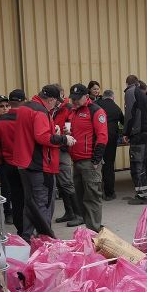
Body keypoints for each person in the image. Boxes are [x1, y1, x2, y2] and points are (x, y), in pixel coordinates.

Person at [13, 84, 75, 242]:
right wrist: (63, 139)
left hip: (25, 163)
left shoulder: (26, 108)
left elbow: (32, 133)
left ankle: (27, 237)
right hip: (39, 165)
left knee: (30, 203)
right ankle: (45, 239)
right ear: (51, 99)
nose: (57, 105)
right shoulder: (40, 112)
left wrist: (53, 131)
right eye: (56, 102)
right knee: (44, 203)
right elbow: (42, 137)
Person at [67, 83, 108, 232]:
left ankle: (94, 230)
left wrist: (96, 160)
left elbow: (102, 137)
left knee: (92, 197)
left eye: (78, 99)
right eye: (73, 99)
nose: (75, 101)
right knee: (80, 197)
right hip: (76, 160)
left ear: (86, 96)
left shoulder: (96, 111)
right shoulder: (74, 111)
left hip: (90, 162)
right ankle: (89, 227)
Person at [0, 89, 26, 235]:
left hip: (8, 161)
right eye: (1, 106)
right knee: (16, 191)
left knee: (16, 193)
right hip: (13, 161)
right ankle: (15, 217)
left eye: (6, 105)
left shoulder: (1, 121)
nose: (4, 108)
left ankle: (19, 223)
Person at [52, 87, 82, 225]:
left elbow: (71, 125)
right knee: (62, 183)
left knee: (66, 182)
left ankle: (78, 214)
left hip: (63, 148)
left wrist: (65, 131)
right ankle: (69, 212)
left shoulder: (67, 108)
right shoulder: (54, 110)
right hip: (57, 146)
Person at [123, 75, 147, 204]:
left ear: (127, 83)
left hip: (138, 133)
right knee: (146, 162)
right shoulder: (143, 94)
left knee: (137, 163)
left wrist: (126, 132)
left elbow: (130, 113)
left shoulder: (130, 92)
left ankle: (142, 195)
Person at [99, 89, 124, 201]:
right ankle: (109, 193)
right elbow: (124, 123)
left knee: (96, 165)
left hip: (97, 139)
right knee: (108, 165)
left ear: (103, 97)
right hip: (111, 139)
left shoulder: (96, 105)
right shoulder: (116, 108)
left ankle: (97, 192)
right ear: (112, 97)